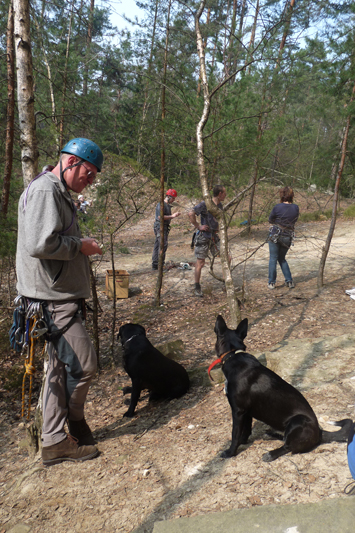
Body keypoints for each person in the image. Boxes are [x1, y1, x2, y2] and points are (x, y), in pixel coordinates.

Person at [16, 137, 104, 466]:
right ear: (70, 163)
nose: (90, 181)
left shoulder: (56, 191)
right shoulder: (45, 190)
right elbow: (40, 244)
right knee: (84, 366)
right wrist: (80, 246)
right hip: (52, 301)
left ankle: (54, 440)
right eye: (89, 173)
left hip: (54, 297)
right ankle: (75, 424)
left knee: (58, 367)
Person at [188, 185, 226, 297]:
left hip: (214, 236)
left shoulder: (220, 205)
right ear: (220, 194)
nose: (225, 196)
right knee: (200, 263)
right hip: (204, 236)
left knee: (226, 257)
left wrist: (218, 228)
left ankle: (226, 284)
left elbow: (218, 219)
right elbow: (191, 213)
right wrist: (198, 226)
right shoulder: (205, 204)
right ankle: (197, 287)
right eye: (224, 193)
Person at [268, 186, 299, 289]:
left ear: (282, 195)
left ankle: (271, 282)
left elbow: (270, 220)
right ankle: (289, 281)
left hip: (275, 235)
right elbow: (294, 220)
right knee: (282, 259)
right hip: (288, 237)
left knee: (273, 258)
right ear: (291, 195)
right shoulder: (295, 207)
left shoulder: (277, 207)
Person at [151, 189, 181, 270]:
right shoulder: (161, 204)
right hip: (160, 227)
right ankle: (160, 264)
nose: (173, 200)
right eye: (173, 198)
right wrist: (172, 216)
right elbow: (160, 217)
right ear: (168, 196)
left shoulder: (167, 205)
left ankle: (155, 264)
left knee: (158, 244)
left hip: (164, 227)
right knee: (162, 245)